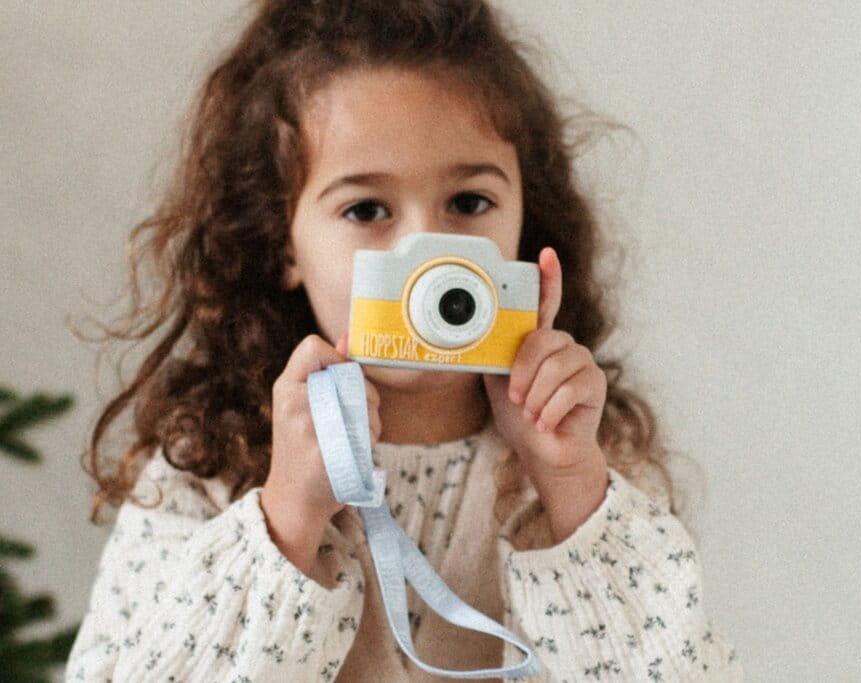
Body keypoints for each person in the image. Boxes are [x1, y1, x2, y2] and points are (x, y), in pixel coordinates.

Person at [65, 0, 744, 680]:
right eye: (366, 209)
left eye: (469, 202)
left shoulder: (593, 460)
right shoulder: (206, 467)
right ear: (282, 242)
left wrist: (573, 492)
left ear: (525, 216)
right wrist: (287, 519)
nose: (430, 250)